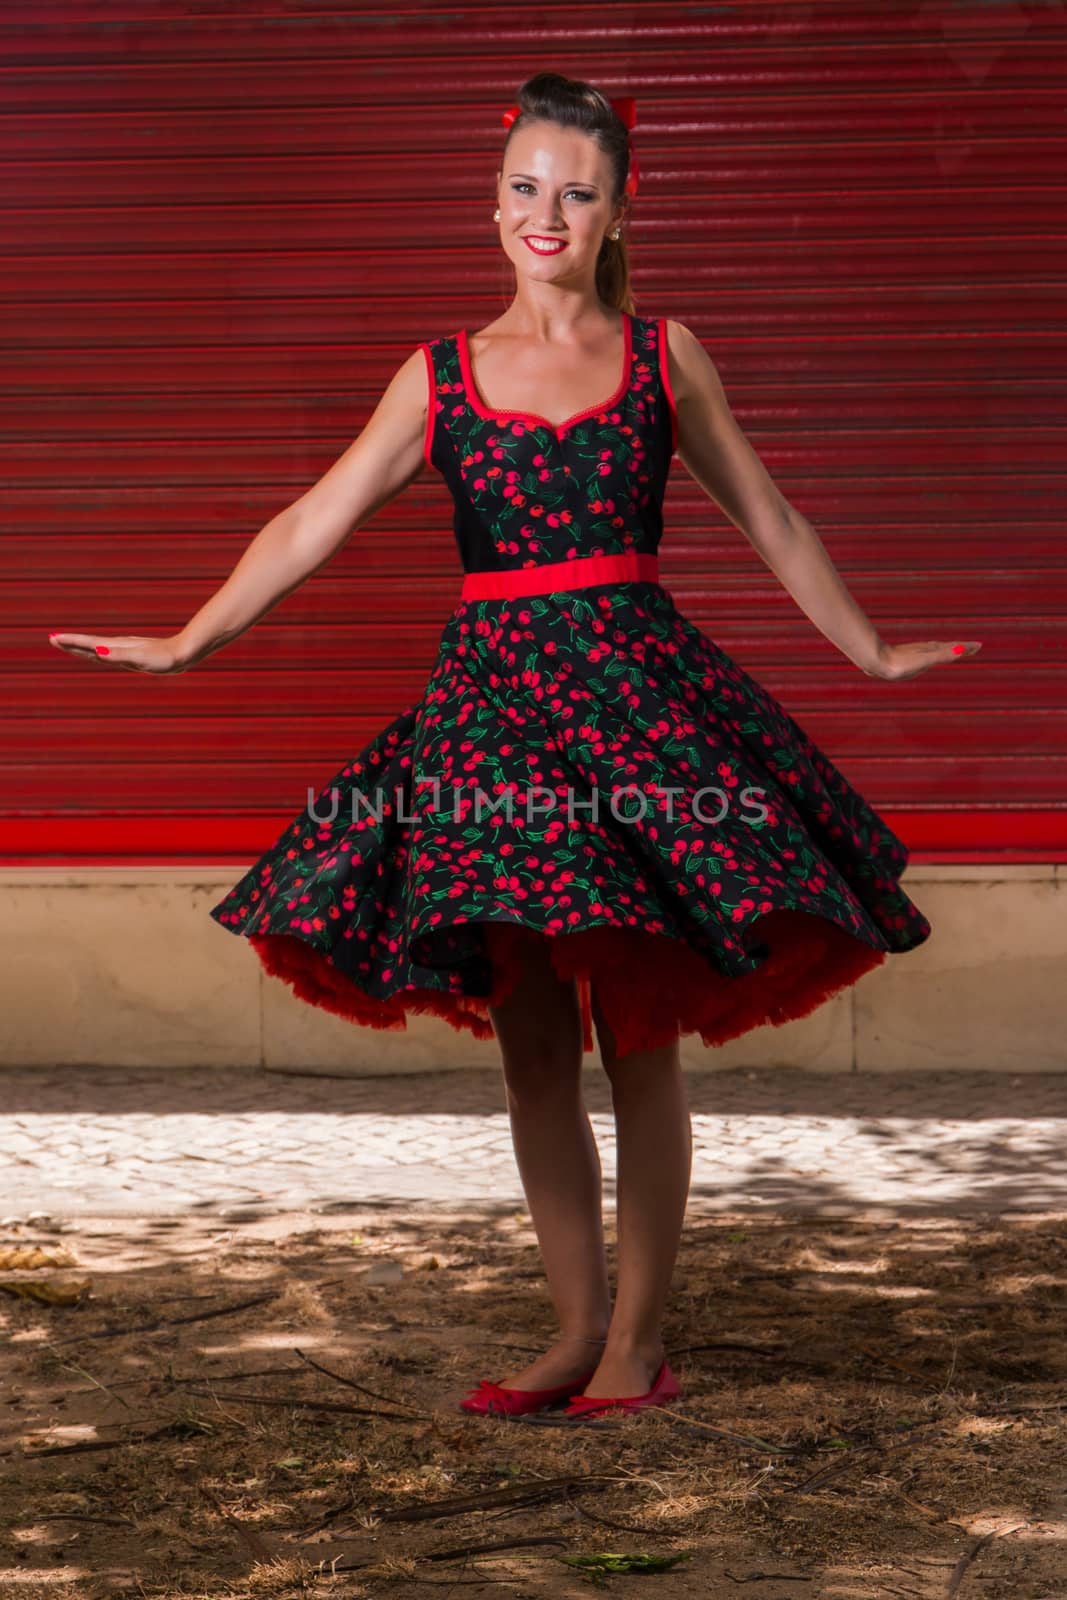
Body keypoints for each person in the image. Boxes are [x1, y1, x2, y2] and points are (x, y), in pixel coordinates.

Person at [48, 71, 981, 1421]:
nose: (547, 213)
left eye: (578, 192)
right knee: (534, 1045)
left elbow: (768, 514)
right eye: (524, 188)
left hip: (643, 718)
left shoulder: (667, 355)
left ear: (618, 208)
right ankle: (575, 1331)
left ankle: (638, 1348)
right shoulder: (436, 378)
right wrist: (192, 639)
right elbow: (312, 519)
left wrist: (873, 652)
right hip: (494, 729)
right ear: (494, 203)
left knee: (638, 1031)